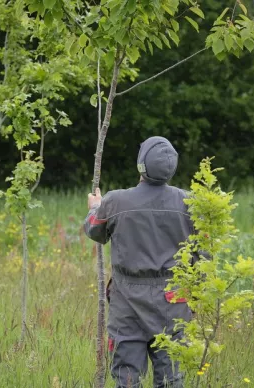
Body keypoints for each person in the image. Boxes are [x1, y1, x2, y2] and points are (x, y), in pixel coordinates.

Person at [84, 136, 199, 388]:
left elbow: (95, 231)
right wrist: (196, 300)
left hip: (127, 303)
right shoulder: (191, 204)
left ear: (141, 165)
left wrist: (95, 208)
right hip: (174, 301)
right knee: (171, 380)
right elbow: (202, 256)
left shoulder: (115, 201)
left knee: (127, 378)